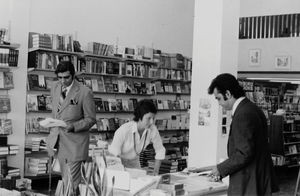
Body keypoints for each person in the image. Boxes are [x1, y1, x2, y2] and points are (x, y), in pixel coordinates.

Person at [208, 73, 279, 195]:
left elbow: (244, 153)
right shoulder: (252, 108)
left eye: (218, 98)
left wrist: (220, 169)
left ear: (228, 94)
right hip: (257, 179)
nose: (219, 103)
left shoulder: (243, 114)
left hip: (249, 183)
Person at [46, 61, 96, 195]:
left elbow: (91, 119)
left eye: (66, 77)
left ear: (73, 75)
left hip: (75, 145)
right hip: (57, 142)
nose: (63, 81)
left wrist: (72, 126)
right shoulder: (55, 87)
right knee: (65, 182)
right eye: (60, 77)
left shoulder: (85, 92)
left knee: (71, 185)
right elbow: (58, 110)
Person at [108, 99, 165, 175]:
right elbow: (114, 154)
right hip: (119, 163)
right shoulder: (124, 130)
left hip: (135, 163)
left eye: (153, 118)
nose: (151, 122)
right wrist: (120, 171)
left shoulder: (152, 129)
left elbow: (160, 150)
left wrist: (155, 171)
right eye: (148, 118)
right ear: (139, 116)